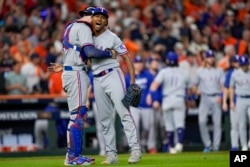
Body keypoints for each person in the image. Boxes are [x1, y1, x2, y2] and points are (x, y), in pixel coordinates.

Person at [60, 7, 116, 166]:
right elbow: (90, 51)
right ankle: (72, 157)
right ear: (89, 16)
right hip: (76, 72)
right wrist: (109, 53)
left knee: (77, 115)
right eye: (96, 16)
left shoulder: (71, 26)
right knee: (77, 116)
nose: (98, 20)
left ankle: (73, 155)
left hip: (72, 71)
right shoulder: (83, 27)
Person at [90, 7, 141, 164]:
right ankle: (111, 154)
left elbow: (127, 59)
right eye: (95, 16)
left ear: (106, 21)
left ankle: (136, 150)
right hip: (97, 78)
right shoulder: (87, 37)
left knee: (123, 112)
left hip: (112, 74)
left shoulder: (112, 37)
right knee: (105, 119)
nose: (98, 19)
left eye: (101, 17)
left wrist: (132, 82)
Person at [148, 51, 191, 154]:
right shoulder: (183, 72)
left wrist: (150, 95)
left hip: (167, 99)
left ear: (167, 60)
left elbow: (154, 86)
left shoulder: (164, 71)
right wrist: (189, 98)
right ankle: (179, 144)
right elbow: (190, 89)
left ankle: (171, 147)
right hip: (179, 99)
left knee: (169, 125)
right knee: (180, 123)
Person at [192, 50, 225, 152]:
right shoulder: (200, 70)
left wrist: (222, 96)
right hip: (205, 97)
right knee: (202, 121)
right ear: (205, 58)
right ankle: (207, 144)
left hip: (216, 96)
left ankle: (216, 146)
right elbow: (194, 86)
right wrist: (196, 91)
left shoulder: (219, 70)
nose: (211, 59)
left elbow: (223, 86)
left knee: (217, 123)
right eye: (209, 57)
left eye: (212, 57)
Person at [125, 55, 156, 154]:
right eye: (137, 63)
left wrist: (152, 96)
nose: (139, 65)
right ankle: (136, 147)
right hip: (134, 106)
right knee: (135, 126)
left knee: (148, 127)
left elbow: (154, 87)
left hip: (146, 105)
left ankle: (147, 144)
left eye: (141, 63)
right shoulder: (128, 76)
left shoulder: (147, 75)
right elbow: (124, 91)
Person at [229, 55, 250, 151]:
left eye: (245, 64)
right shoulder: (235, 74)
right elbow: (231, 87)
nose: (244, 66)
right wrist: (232, 101)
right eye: (242, 65)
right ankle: (244, 145)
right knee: (241, 124)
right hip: (240, 99)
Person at [222, 55, 240, 151]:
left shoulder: (247, 72)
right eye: (235, 62)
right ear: (232, 63)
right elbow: (226, 88)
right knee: (234, 125)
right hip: (235, 101)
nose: (237, 63)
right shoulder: (230, 73)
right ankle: (234, 145)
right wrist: (225, 102)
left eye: (238, 61)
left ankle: (245, 145)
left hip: (246, 100)